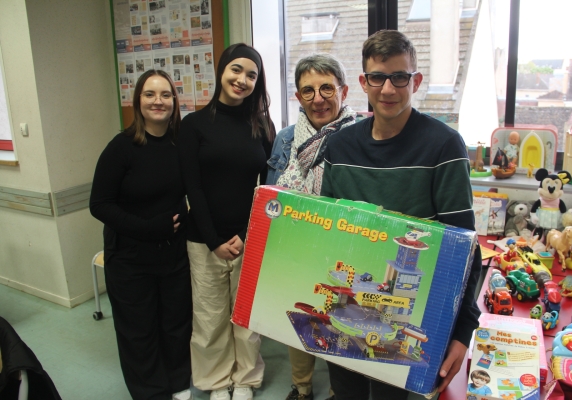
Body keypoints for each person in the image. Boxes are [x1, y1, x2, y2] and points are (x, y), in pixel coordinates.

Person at [320, 30, 482, 399]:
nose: (388, 89)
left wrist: (462, 332)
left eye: (400, 77)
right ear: (363, 82)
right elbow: (327, 234)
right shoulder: (340, 145)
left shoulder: (443, 145)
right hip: (348, 313)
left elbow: (465, 248)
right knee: (347, 392)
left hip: (413, 315)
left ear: (416, 81)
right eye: (377, 77)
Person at [178, 43, 275, 400]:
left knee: (247, 317)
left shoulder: (262, 125)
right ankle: (217, 380)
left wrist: (246, 233)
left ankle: (246, 378)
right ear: (221, 71)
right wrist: (215, 240)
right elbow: (193, 189)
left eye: (252, 74)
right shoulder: (194, 125)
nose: (243, 79)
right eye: (236, 70)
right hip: (204, 238)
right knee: (210, 317)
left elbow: (266, 189)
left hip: (248, 236)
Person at [90, 69, 192, 400]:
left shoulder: (181, 144)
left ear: (175, 102)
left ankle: (178, 382)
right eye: (150, 94)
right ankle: (150, 392)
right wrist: (149, 228)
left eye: (165, 95)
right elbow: (100, 205)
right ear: (138, 101)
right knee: (139, 331)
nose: (158, 101)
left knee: (176, 325)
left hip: (173, 255)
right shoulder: (121, 147)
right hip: (130, 259)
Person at [266, 54, 355, 400]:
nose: (318, 98)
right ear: (298, 97)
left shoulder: (359, 136)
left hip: (343, 245)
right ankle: (301, 387)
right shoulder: (286, 139)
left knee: (340, 320)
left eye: (326, 88)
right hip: (297, 242)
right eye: (308, 91)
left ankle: (337, 389)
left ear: (343, 91)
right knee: (299, 314)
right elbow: (271, 195)